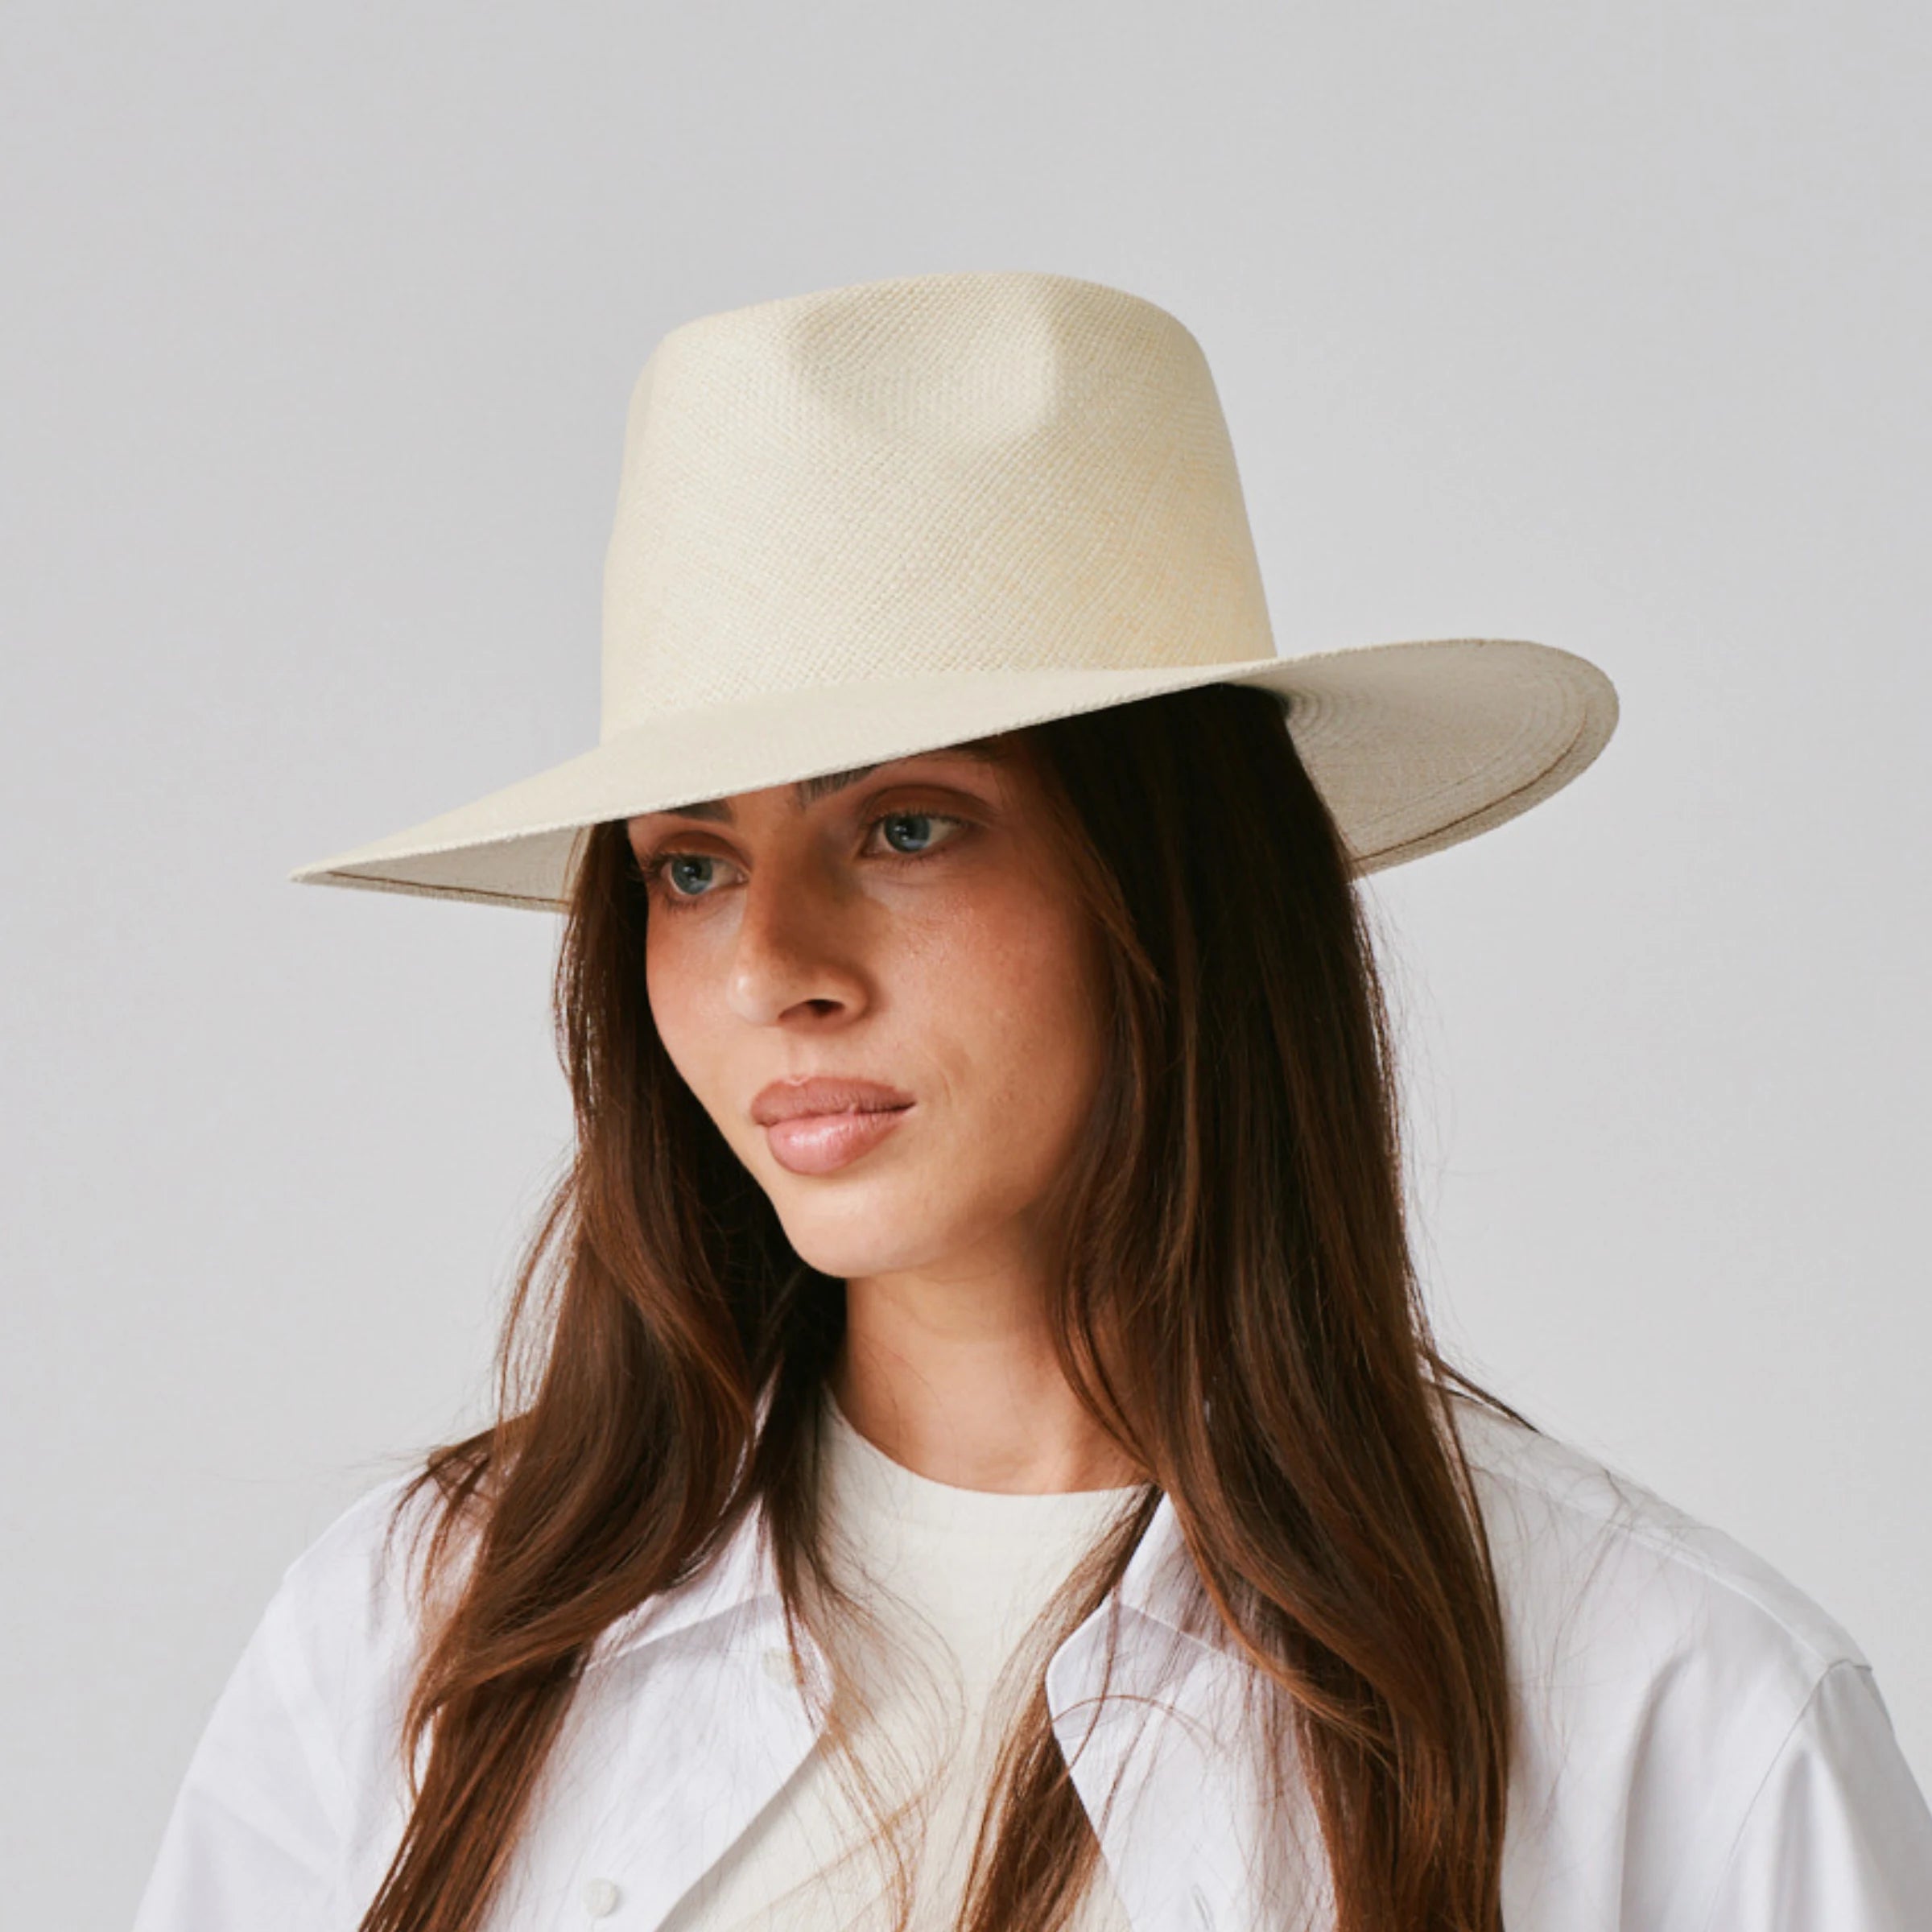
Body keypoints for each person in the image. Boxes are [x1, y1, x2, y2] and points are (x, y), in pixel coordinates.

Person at [134, 270, 1932, 1932]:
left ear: (1179, 883)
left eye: (906, 827)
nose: (773, 967)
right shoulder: (417, 1633)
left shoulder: (1675, 1719)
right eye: (690, 867)